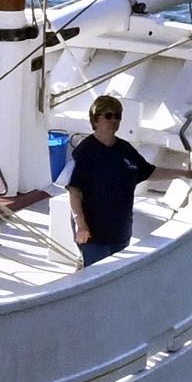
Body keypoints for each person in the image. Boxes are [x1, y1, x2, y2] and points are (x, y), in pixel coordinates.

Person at [64, 92, 152, 267]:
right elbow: (74, 191)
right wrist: (81, 225)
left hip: (120, 231)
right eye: (108, 116)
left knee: (116, 273)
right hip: (94, 234)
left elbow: (149, 171)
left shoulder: (124, 149)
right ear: (96, 120)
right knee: (97, 273)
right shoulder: (84, 152)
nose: (114, 121)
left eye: (117, 116)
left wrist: (185, 173)